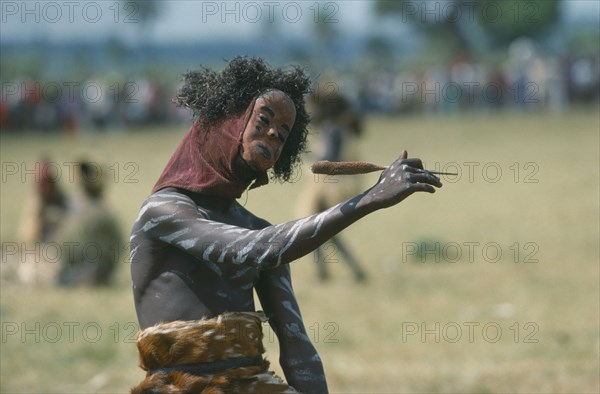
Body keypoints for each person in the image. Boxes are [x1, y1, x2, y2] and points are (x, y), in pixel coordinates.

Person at [130, 57, 442, 393]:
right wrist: (369, 199)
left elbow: (297, 348)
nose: (272, 138)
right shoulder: (163, 211)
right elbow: (253, 249)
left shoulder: (254, 226)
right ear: (230, 121)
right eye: (263, 122)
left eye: (282, 136)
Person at [300, 88, 368, 282]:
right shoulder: (342, 126)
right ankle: (339, 272)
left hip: (328, 186)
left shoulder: (331, 128)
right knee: (322, 230)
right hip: (338, 185)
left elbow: (328, 159)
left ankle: (327, 273)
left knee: (314, 228)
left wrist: (305, 153)